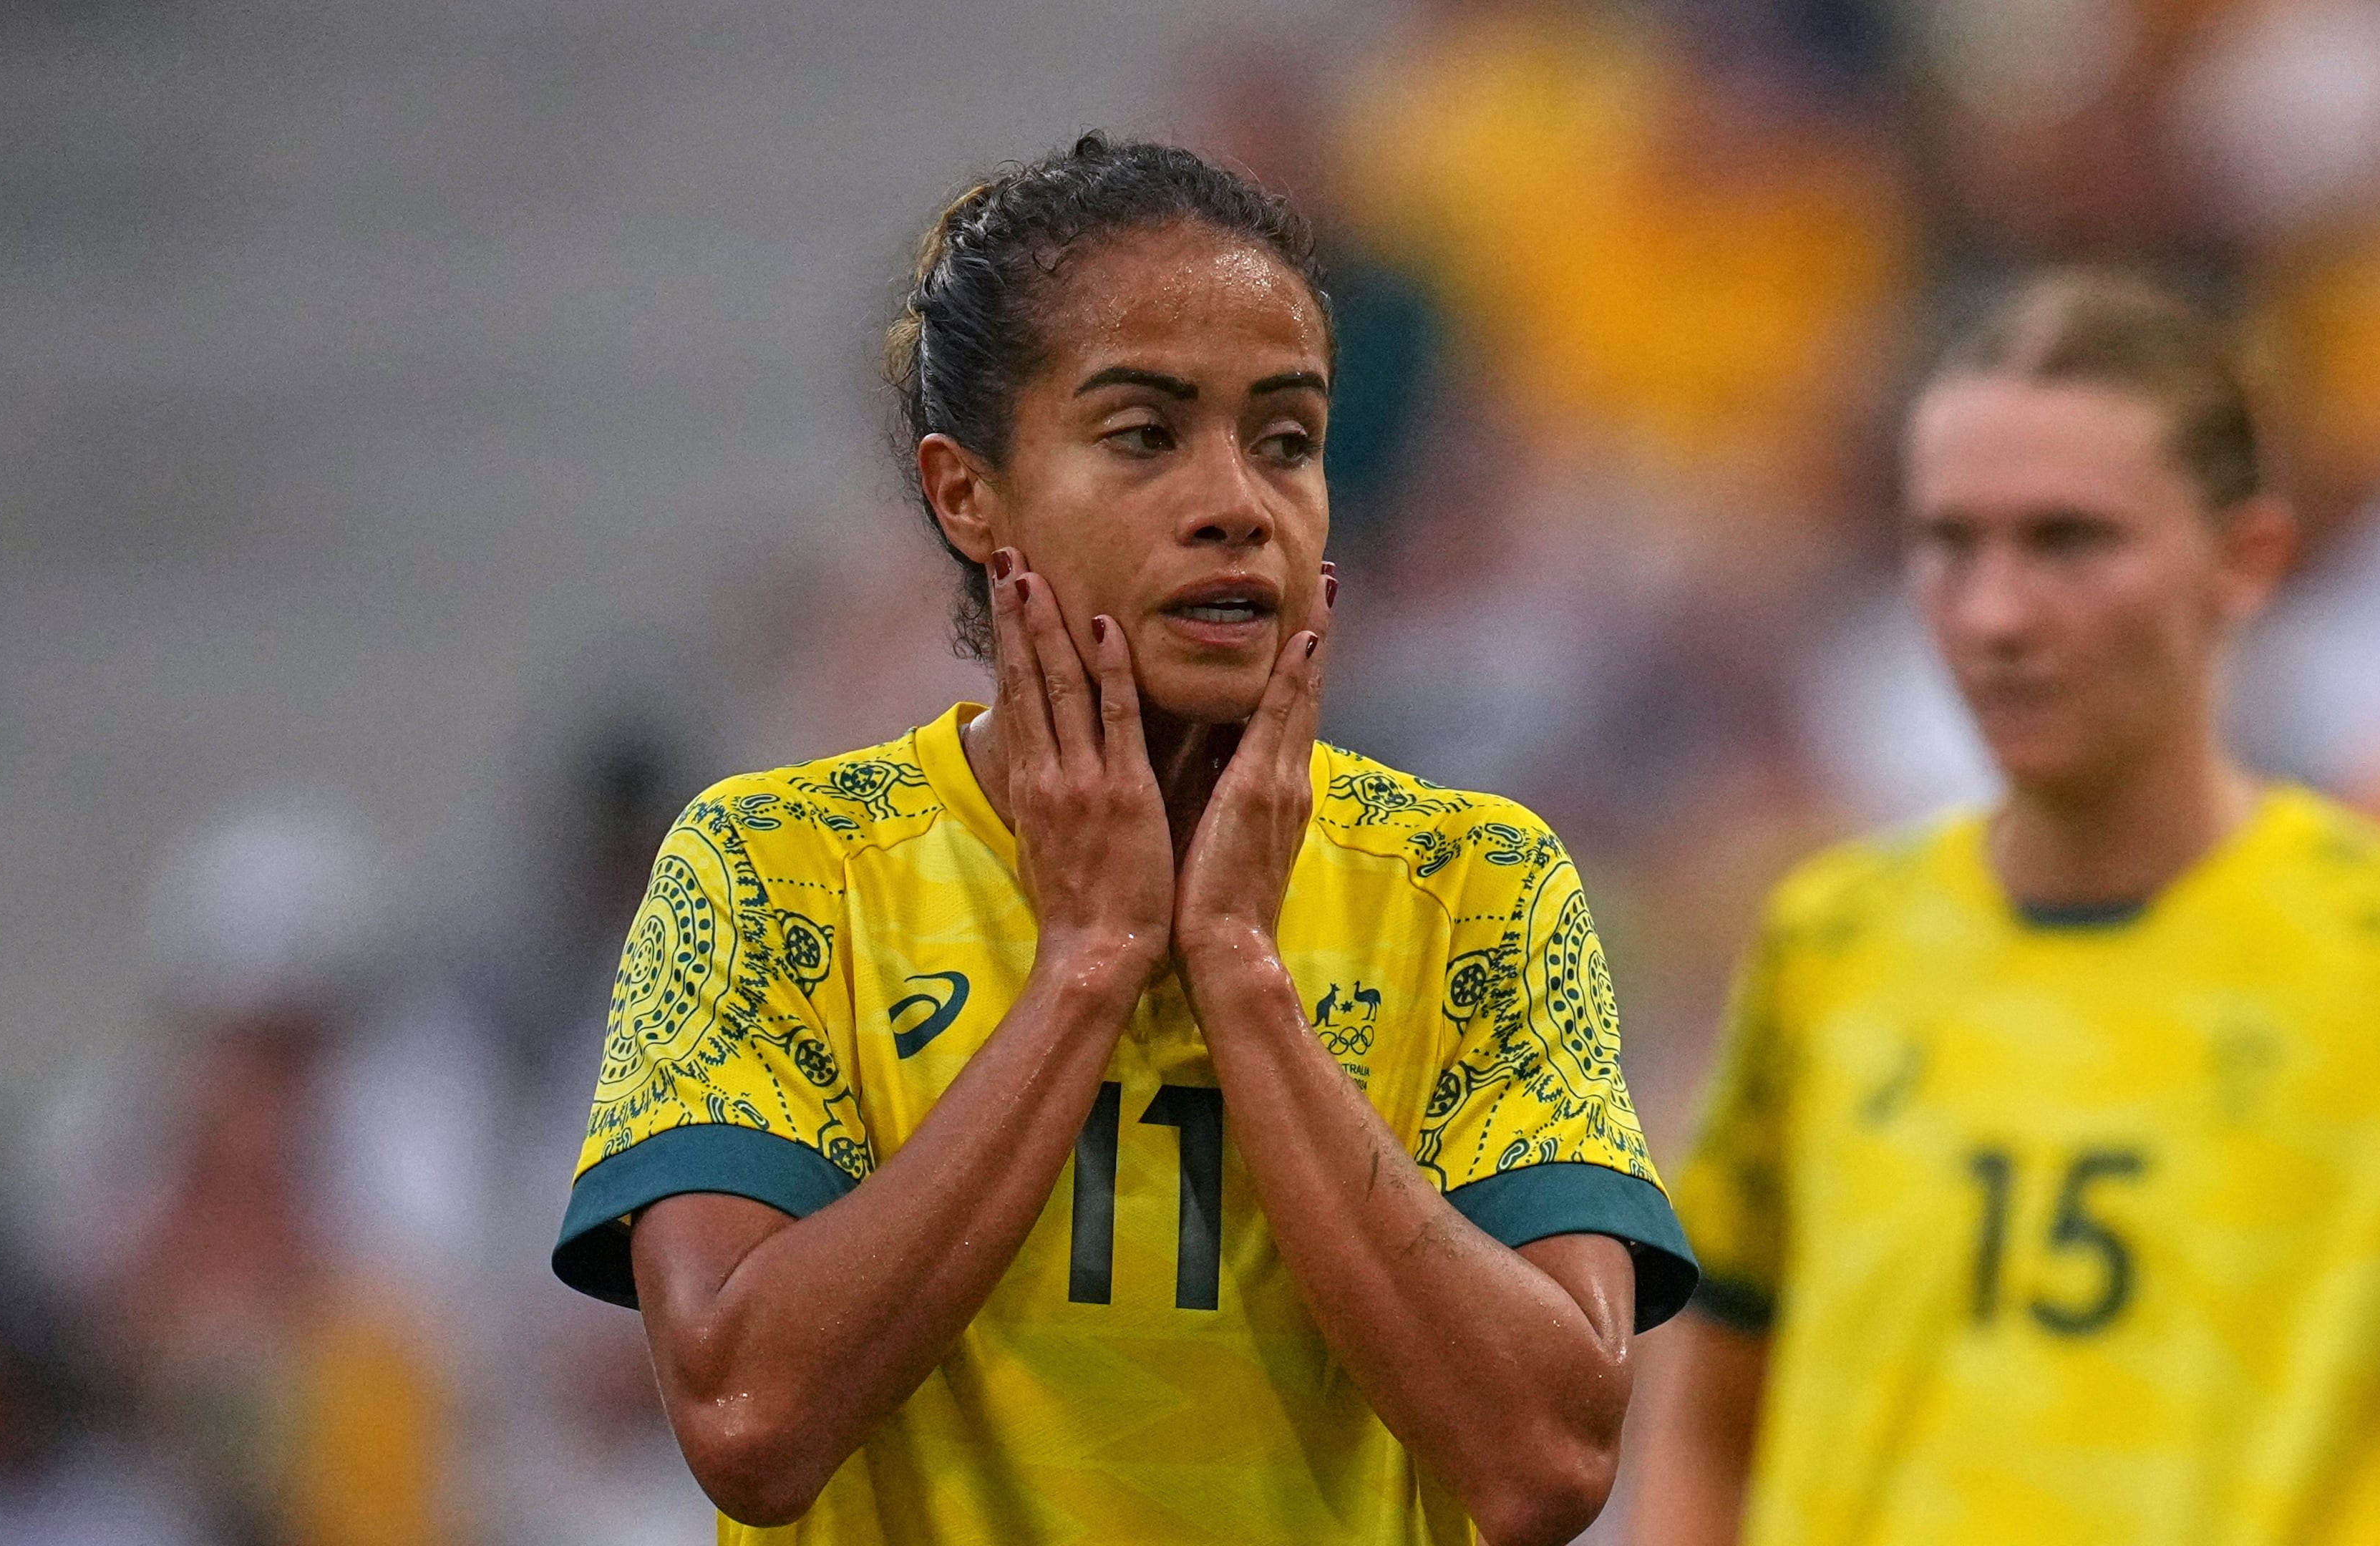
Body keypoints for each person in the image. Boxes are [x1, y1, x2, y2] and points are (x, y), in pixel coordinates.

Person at [549, 135, 1696, 1546]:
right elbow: (749, 1422)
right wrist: (1090, 964)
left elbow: (1549, 1464)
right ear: (968, 493)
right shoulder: (767, 874)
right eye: (1145, 436)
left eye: (1286, 440)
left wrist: (1239, 974)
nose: (1236, 504)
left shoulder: (1478, 888)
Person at [1630, 271, 2380, 1545]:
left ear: (2245, 561)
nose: (1995, 614)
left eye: (2069, 541)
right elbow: (1710, 1419)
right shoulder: (1830, 945)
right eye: (1949, 542)